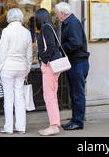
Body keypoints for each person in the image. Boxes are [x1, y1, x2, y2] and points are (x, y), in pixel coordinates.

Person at [0, 8, 33, 134]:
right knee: (20, 98)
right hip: (21, 68)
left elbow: (2, 53)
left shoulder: (6, 31)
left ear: (9, 18)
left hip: (8, 68)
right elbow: (29, 55)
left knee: (9, 99)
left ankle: (8, 127)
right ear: (21, 18)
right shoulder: (26, 32)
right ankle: (21, 127)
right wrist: (27, 70)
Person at [55, 2, 90, 131]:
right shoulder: (69, 22)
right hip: (75, 62)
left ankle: (78, 122)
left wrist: (61, 50)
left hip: (78, 63)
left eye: (57, 13)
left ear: (63, 14)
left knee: (77, 93)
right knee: (75, 93)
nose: (57, 16)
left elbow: (76, 43)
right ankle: (75, 119)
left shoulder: (73, 23)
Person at [35, 8, 62, 136]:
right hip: (53, 65)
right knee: (52, 96)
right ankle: (54, 124)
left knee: (49, 97)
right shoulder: (50, 26)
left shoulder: (45, 28)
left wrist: (44, 61)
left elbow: (51, 46)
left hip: (50, 66)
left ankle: (53, 126)